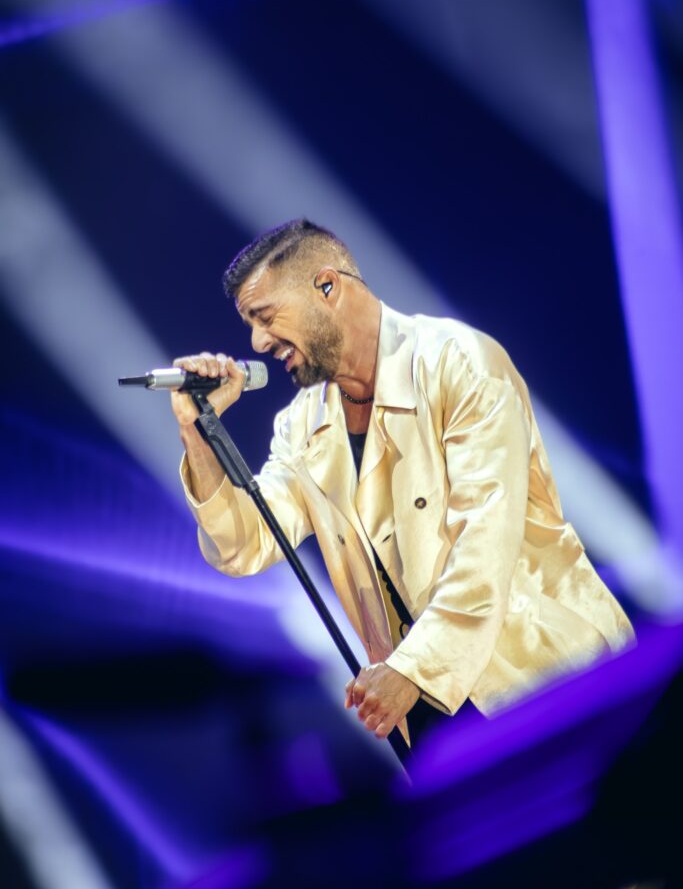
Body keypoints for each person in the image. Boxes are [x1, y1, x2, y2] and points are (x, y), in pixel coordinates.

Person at [171, 219, 635, 750]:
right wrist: (197, 432)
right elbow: (243, 544)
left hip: (548, 676)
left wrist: (411, 669)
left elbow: (485, 541)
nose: (257, 341)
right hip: (430, 714)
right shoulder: (302, 426)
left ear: (327, 286)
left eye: (265, 316)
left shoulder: (459, 363)